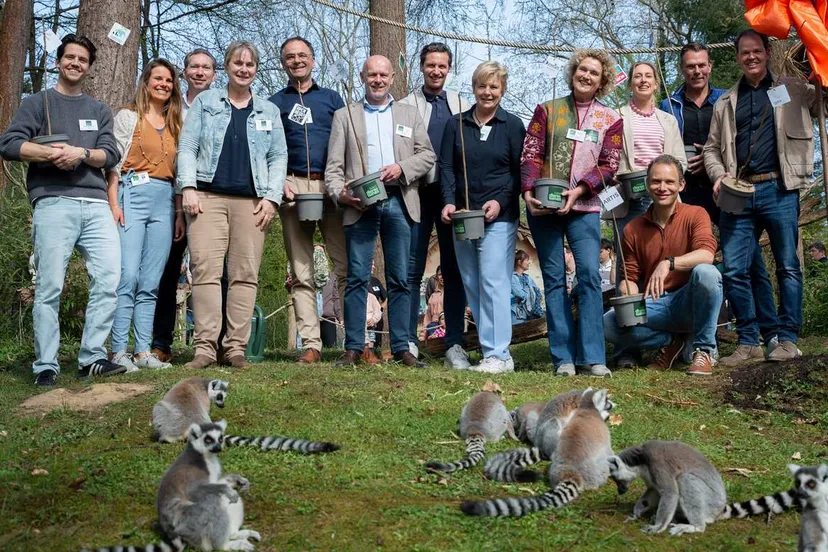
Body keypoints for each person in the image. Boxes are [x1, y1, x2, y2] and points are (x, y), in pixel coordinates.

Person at [0, 34, 124, 386]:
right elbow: (9, 144)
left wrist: (81, 154)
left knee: (109, 280)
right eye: (70, 57)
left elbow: (110, 154)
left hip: (96, 204)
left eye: (82, 59)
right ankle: (46, 365)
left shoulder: (99, 110)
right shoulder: (37, 103)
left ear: (89, 67)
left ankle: (92, 358)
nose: (75, 63)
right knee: (49, 286)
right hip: (53, 201)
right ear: (58, 61)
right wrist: (51, 153)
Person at [704, 29, 818, 363]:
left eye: (756, 51)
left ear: (767, 52)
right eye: (744, 52)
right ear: (738, 57)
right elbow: (711, 149)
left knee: (788, 266)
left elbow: (823, 103)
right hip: (739, 192)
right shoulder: (725, 102)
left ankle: (787, 339)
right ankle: (749, 341)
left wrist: (821, 71)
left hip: (780, 189)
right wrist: (718, 175)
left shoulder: (793, 89)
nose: (751, 57)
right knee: (735, 269)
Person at [661, 42, 778, 365]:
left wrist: (712, 164)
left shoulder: (728, 99)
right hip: (686, 194)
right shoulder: (669, 105)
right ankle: (685, 338)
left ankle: (767, 333)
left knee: (748, 262)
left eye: (701, 65)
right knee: (685, 262)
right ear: (682, 69)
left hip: (725, 190)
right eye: (690, 66)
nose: (696, 71)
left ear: (710, 66)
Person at [177, 41, 287, 370]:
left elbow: (278, 156)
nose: (243, 69)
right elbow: (188, 146)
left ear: (256, 70)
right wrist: (188, 187)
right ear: (226, 67)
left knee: (245, 275)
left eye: (250, 64)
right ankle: (205, 349)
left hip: (252, 203)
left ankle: (236, 348)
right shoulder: (207, 102)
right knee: (205, 273)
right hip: (206, 199)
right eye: (237, 63)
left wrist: (272, 198)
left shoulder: (268, 111)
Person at [325, 55, 435, 367]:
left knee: (400, 278)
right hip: (360, 204)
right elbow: (333, 169)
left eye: (383, 75)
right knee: (357, 277)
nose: (378, 80)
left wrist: (401, 167)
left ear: (392, 78)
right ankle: (353, 347)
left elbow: (427, 156)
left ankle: (401, 348)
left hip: (399, 200)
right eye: (372, 74)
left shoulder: (409, 114)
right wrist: (341, 194)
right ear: (363, 77)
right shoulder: (345, 116)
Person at [521, 48, 623, 377]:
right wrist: (528, 191)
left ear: (602, 81)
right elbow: (531, 154)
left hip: (585, 207)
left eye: (594, 72)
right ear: (573, 72)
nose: (586, 76)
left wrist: (580, 190)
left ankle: (592, 357)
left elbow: (610, 164)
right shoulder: (547, 110)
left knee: (590, 276)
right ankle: (563, 358)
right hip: (546, 206)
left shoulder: (610, 119)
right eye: (582, 69)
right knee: (554, 280)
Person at [440, 61, 526, 374]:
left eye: (494, 86)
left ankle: (499, 354)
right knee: (472, 282)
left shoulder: (512, 125)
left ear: (502, 90)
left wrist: (500, 202)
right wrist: (449, 202)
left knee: (493, 280)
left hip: (498, 216)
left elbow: (519, 172)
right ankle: (491, 349)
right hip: (464, 216)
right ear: (474, 88)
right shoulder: (456, 125)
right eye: (482, 86)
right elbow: (446, 167)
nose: (487, 92)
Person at [604, 155, 721, 375]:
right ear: (647, 184)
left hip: (688, 301)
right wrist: (627, 291)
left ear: (681, 185)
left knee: (707, 273)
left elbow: (706, 255)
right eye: (656, 181)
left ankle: (704, 350)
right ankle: (671, 341)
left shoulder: (696, 214)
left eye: (669, 182)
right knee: (608, 323)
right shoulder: (632, 228)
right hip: (655, 304)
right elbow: (630, 276)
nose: (662, 187)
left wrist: (668, 263)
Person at [269, 36, 348, 365]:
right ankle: (312, 344)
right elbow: (267, 148)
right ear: (283, 63)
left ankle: (356, 341)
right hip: (293, 186)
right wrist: (279, 181)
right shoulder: (275, 103)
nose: (297, 61)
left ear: (313, 60)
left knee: (344, 266)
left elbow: (347, 141)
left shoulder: (332, 99)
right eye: (290, 57)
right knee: (301, 271)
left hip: (330, 186)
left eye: (302, 55)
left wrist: (342, 182)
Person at [107, 59, 184, 372]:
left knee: (152, 280)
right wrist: (114, 204)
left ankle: (142, 351)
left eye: (169, 80)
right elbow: (113, 164)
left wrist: (179, 213)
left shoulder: (176, 122)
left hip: (165, 201)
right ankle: (118, 351)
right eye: (158, 78)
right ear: (146, 82)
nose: (163, 84)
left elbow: (181, 173)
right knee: (128, 276)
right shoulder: (128, 117)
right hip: (132, 196)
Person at [400, 42, 470, 369]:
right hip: (416, 193)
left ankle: (455, 342)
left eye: (442, 66)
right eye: (431, 65)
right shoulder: (405, 105)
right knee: (411, 269)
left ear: (449, 69)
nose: (436, 71)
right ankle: (406, 341)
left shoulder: (461, 104)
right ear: (421, 67)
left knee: (454, 269)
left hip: (451, 196)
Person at [151, 48, 218, 364]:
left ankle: (216, 343)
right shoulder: (171, 108)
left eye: (206, 67)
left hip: (213, 195)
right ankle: (160, 342)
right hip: (173, 196)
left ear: (214, 74)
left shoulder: (222, 105)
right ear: (185, 71)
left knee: (215, 272)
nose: (200, 72)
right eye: (194, 67)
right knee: (167, 269)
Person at [615, 62, 687, 283]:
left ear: (656, 83)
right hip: (630, 197)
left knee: (665, 254)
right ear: (630, 84)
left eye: (648, 76)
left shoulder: (668, 120)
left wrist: (666, 179)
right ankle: (629, 303)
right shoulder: (617, 116)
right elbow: (607, 156)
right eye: (637, 76)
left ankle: (664, 302)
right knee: (628, 263)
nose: (643, 80)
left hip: (664, 197)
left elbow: (680, 161)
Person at [511, 250, 544, 324]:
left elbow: (537, 291)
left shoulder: (528, 278)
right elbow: (520, 294)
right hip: (517, 314)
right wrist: (532, 294)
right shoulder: (512, 278)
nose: (529, 262)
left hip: (530, 313)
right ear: (519, 262)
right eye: (527, 260)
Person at [421, 275, 444, 340]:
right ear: (436, 278)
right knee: (431, 326)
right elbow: (428, 317)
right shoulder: (433, 296)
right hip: (434, 326)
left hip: (450, 325)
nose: (442, 277)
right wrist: (423, 335)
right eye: (440, 274)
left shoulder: (454, 293)